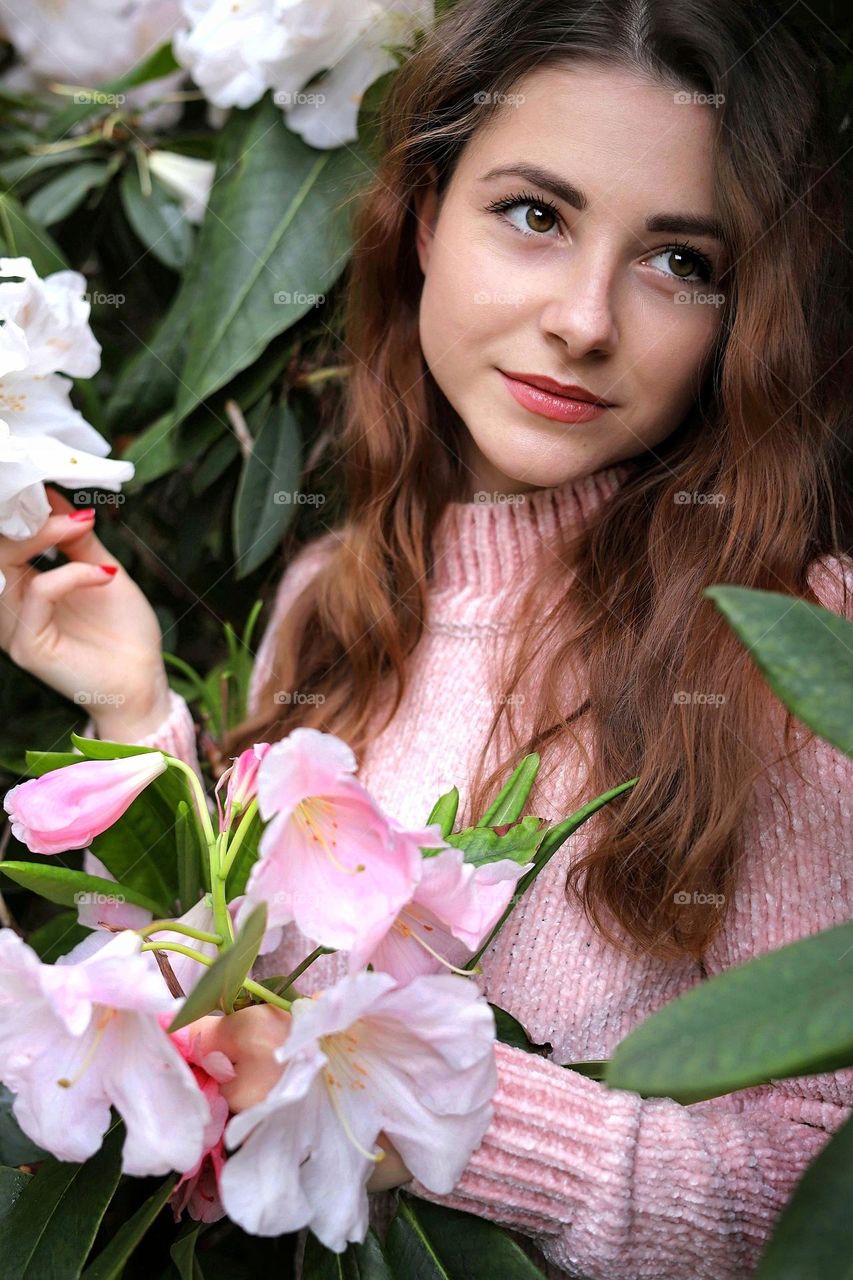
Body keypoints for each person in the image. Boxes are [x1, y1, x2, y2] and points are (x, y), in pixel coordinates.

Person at [1, 1, 851, 1275]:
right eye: (535, 214)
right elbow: (193, 1022)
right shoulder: (328, 592)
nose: (583, 319)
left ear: (743, 317)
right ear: (421, 219)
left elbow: (811, 1201)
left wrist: (430, 1101)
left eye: (681, 260)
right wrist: (131, 712)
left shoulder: (793, 646)